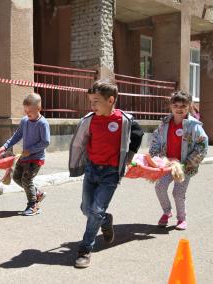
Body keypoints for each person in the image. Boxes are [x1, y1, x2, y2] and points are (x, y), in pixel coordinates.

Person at [69, 78, 144, 268]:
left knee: (95, 210)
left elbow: (138, 133)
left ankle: (85, 249)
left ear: (110, 100)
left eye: (96, 101)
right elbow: (80, 142)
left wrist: (131, 155)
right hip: (91, 169)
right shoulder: (90, 120)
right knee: (87, 208)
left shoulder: (124, 120)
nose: (92, 105)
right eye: (91, 102)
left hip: (110, 173)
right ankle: (106, 220)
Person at [149, 91, 208, 231]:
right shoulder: (164, 124)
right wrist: (154, 157)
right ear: (171, 106)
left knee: (178, 193)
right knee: (159, 187)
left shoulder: (194, 126)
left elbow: (202, 145)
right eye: (175, 105)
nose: (179, 108)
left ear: (189, 107)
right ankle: (166, 211)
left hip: (185, 166)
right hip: (167, 165)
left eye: (183, 105)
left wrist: (187, 163)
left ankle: (181, 219)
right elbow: (156, 140)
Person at [0, 93, 50, 216]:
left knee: (26, 179)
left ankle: (33, 206)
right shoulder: (25, 121)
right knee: (17, 178)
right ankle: (37, 193)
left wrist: (31, 150)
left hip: (36, 158)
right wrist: (5, 146)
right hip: (24, 156)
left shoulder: (43, 123)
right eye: (25, 110)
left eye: (30, 111)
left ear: (38, 109)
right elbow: (17, 135)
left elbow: (46, 142)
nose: (27, 113)